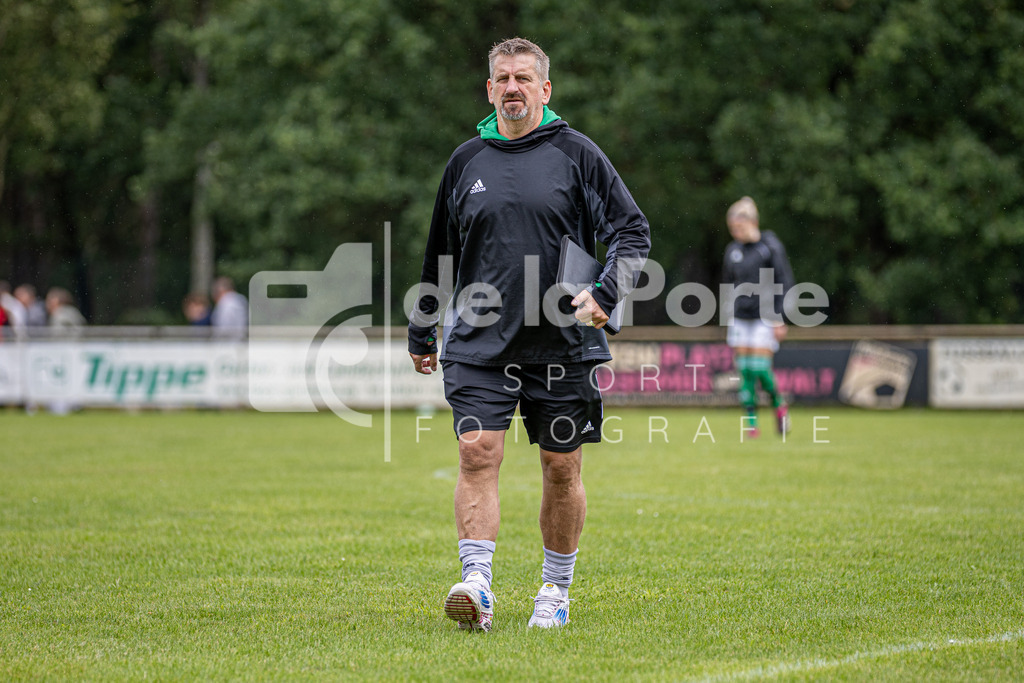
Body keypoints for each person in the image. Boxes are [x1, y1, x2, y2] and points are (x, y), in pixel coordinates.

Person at [408, 38, 650, 632]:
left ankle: (555, 590)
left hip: (563, 347)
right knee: (475, 453)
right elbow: (441, 251)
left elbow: (632, 230)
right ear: (489, 90)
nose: (512, 87)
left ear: (545, 89)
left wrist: (606, 293)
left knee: (561, 466)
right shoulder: (466, 161)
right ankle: (478, 584)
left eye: (523, 78)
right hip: (480, 345)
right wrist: (423, 326)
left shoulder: (576, 155)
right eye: (501, 78)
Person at [721, 196, 795, 437]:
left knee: (761, 370)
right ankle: (751, 424)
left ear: (752, 221)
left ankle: (779, 408)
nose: (735, 232)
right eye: (732, 228)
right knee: (745, 370)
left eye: (738, 227)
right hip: (740, 317)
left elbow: (784, 281)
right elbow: (727, 283)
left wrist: (780, 316)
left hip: (766, 316)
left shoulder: (770, 246)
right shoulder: (732, 250)